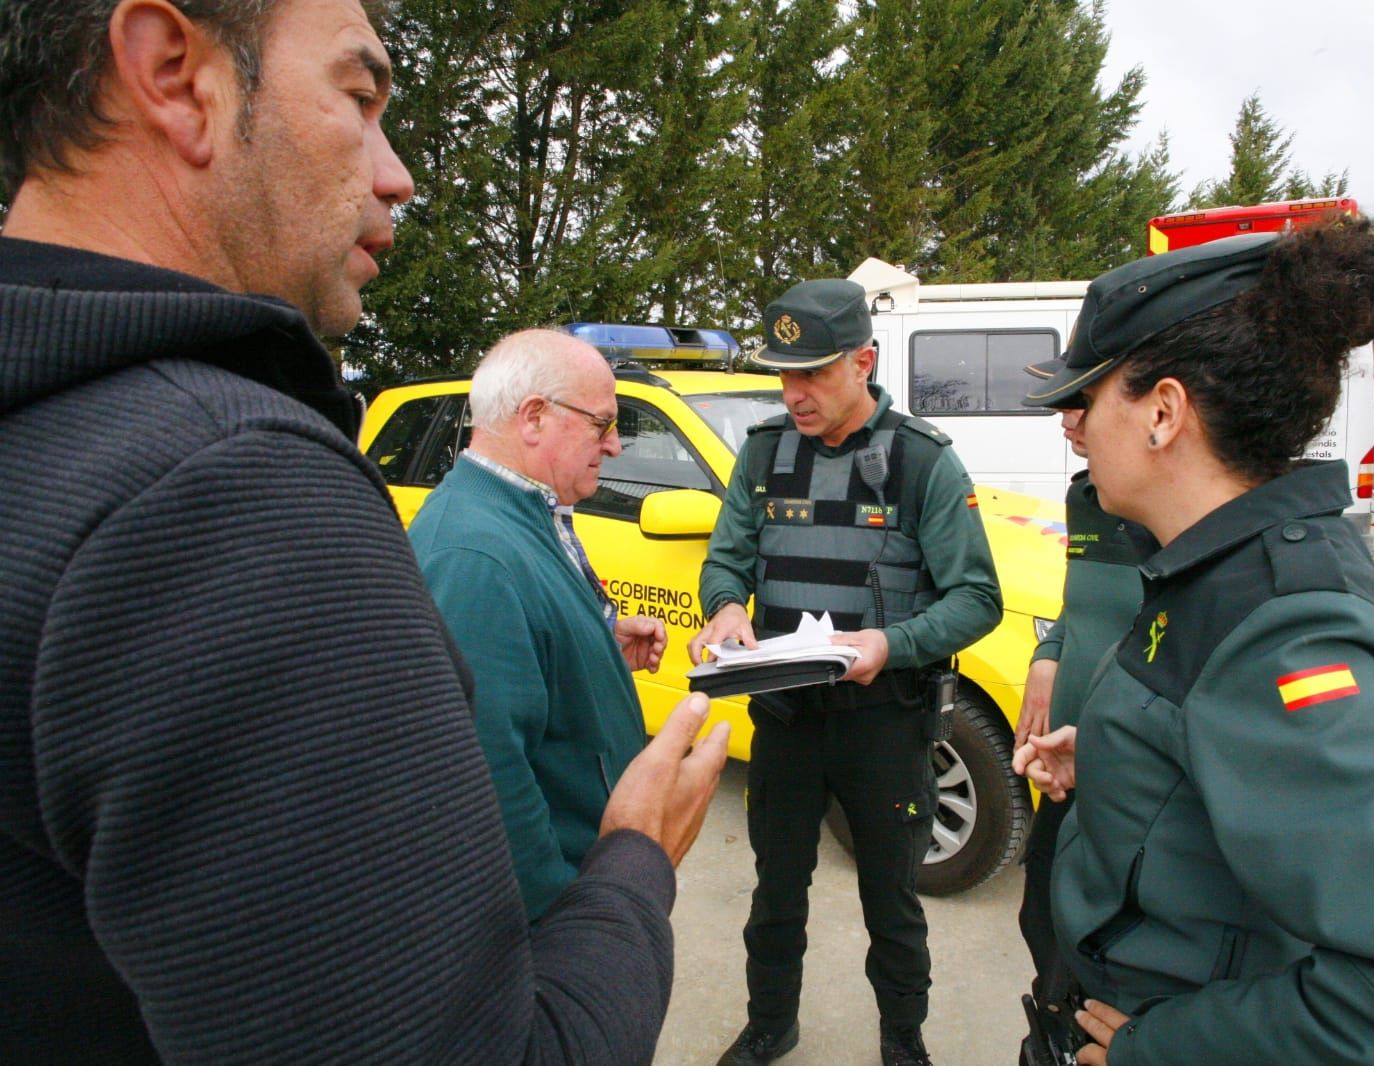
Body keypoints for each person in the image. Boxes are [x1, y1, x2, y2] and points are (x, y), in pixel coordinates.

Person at [0, 1, 727, 1062]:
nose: (397, 175)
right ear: (172, 73)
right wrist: (633, 861)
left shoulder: (66, 428)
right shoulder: (229, 494)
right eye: (360, 96)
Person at [1013, 222, 1374, 1065]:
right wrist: (1124, 757)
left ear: (1162, 412)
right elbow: (1223, 749)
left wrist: (1170, 1047)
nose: (1070, 423)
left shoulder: (1291, 633)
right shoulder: (1214, 567)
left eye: (1087, 396)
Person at [690, 279, 1003, 1066]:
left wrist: (890, 646)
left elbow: (978, 598)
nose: (793, 393)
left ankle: (903, 1040)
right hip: (787, 721)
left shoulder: (922, 462)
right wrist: (727, 607)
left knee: (891, 901)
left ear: (863, 361)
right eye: (783, 375)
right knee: (775, 894)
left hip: (886, 726)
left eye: (814, 374)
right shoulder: (764, 452)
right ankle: (772, 1025)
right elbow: (726, 559)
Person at [410, 330, 668, 922]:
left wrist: (593, 647)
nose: (616, 446)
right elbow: (485, 775)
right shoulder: (473, 554)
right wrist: (566, 918)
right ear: (533, 417)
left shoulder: (517, 510)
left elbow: (515, 665)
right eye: (603, 424)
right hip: (556, 910)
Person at [1011, 396, 1152, 1061]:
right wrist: (1048, 653)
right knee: (1042, 918)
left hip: (1135, 785)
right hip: (1069, 768)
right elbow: (1082, 609)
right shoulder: (1087, 496)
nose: (1067, 417)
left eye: (1083, 400)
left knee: (1109, 960)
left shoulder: (1180, 511)